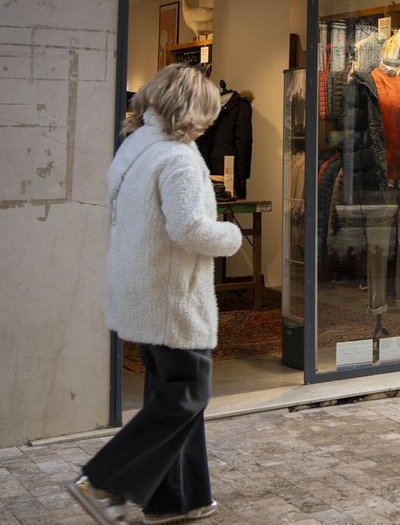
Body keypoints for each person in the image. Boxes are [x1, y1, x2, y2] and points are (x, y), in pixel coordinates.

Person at [67, 65, 242, 525]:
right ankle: (104, 478)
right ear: (195, 107)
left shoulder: (137, 151)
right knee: (187, 394)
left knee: (170, 395)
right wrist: (231, 235)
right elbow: (188, 229)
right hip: (171, 294)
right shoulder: (179, 158)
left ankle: (178, 500)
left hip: (138, 290)